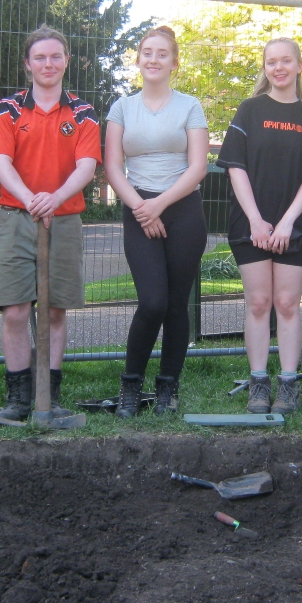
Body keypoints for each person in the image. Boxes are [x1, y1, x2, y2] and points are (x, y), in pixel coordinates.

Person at [0, 27, 101, 421]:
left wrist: (55, 198)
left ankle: (47, 397)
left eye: (55, 56)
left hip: (64, 219)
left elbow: (87, 166)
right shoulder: (8, 109)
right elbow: (1, 163)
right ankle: (18, 399)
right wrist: (32, 199)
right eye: (40, 57)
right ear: (27, 64)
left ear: (66, 61)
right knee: (15, 311)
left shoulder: (83, 113)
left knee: (54, 312)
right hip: (16, 217)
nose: (48, 64)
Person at [217, 38, 302, 414]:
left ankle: (288, 383)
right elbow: (235, 167)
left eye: (286, 61)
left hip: (294, 226)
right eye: (272, 62)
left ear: (299, 66)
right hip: (249, 223)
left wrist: (286, 222)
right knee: (258, 302)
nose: (279, 68)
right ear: (265, 67)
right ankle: (258, 382)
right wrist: (255, 219)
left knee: (286, 303)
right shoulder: (249, 110)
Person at [103, 26, 209, 417]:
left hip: (181, 208)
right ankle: (131, 385)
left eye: (162, 53)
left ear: (174, 62)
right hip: (137, 207)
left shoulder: (190, 106)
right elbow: (113, 167)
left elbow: (198, 167)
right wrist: (140, 208)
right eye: (147, 52)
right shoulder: (122, 107)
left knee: (176, 305)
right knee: (152, 302)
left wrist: (160, 205)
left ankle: (168, 388)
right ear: (138, 59)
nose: (153, 59)